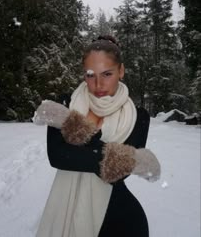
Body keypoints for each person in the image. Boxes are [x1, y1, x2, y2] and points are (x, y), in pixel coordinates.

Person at [34, 35, 161, 237]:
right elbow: (57, 156)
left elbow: (117, 175)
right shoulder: (67, 102)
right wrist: (123, 158)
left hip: (121, 220)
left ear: (121, 71)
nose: (98, 84)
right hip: (67, 210)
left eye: (107, 74)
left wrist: (74, 128)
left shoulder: (138, 117)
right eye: (91, 75)